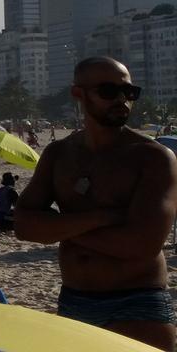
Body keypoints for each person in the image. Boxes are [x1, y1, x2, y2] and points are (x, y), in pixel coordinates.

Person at [16, 56, 177, 350]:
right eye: (108, 91)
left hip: (136, 300)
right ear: (78, 94)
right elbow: (24, 226)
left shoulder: (152, 158)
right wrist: (103, 217)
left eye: (129, 92)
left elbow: (141, 246)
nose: (122, 100)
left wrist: (59, 228)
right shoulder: (59, 154)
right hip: (74, 299)